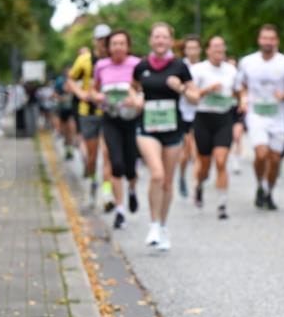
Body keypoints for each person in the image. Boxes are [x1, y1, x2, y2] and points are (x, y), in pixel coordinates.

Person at [132, 22, 201, 250]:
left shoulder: (180, 66)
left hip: (173, 129)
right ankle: (153, 224)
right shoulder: (141, 66)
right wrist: (136, 99)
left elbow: (195, 97)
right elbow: (133, 88)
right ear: (151, 40)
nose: (160, 41)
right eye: (156, 37)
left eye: (164, 37)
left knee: (168, 181)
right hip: (148, 129)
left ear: (171, 42)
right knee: (157, 175)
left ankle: (163, 225)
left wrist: (180, 88)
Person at [237, 25, 284, 211]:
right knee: (261, 153)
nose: (268, 42)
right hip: (256, 114)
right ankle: (260, 183)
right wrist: (243, 98)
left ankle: (268, 190)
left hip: (278, 116)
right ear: (259, 40)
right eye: (265, 38)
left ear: (277, 41)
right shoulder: (248, 62)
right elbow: (241, 85)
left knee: (275, 159)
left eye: (272, 39)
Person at [91, 30, 141, 230]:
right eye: (114, 44)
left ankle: (132, 190)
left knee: (130, 166)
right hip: (110, 119)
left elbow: (143, 89)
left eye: (122, 43)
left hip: (132, 120)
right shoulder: (101, 66)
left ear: (128, 46)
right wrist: (97, 97)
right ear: (108, 47)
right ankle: (120, 211)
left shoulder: (136, 64)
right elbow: (93, 90)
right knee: (116, 163)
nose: (118, 47)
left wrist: (135, 99)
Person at [189, 36, 240, 219]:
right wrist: (207, 90)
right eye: (215, 47)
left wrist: (241, 101)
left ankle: (222, 204)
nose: (219, 49)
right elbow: (192, 95)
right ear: (208, 50)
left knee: (221, 161)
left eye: (222, 46)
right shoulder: (198, 70)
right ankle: (200, 185)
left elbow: (237, 91)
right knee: (204, 165)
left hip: (223, 119)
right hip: (203, 118)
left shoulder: (231, 70)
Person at [67, 25, 112, 207]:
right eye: (100, 40)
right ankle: (94, 180)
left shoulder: (113, 60)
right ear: (94, 41)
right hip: (88, 112)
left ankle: (107, 193)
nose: (103, 44)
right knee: (92, 156)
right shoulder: (84, 60)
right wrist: (80, 94)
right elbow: (71, 79)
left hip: (109, 112)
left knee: (108, 154)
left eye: (106, 40)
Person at [175, 35, 203, 198]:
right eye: (189, 48)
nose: (192, 51)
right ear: (184, 50)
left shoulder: (205, 66)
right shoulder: (179, 67)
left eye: (195, 48)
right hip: (184, 114)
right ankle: (182, 177)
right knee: (186, 152)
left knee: (197, 151)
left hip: (201, 113)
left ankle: (196, 184)